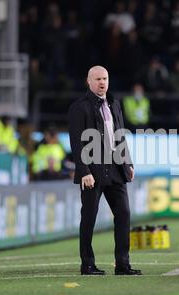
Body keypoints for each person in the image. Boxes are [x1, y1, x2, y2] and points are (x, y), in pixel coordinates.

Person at [68, 66, 141, 276]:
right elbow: (76, 143)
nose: (102, 82)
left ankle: (123, 265)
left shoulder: (115, 104)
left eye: (105, 79)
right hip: (93, 171)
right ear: (89, 81)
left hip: (116, 169)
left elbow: (120, 136)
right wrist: (84, 172)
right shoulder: (79, 108)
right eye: (98, 79)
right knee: (89, 217)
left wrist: (128, 163)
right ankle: (87, 264)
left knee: (124, 214)